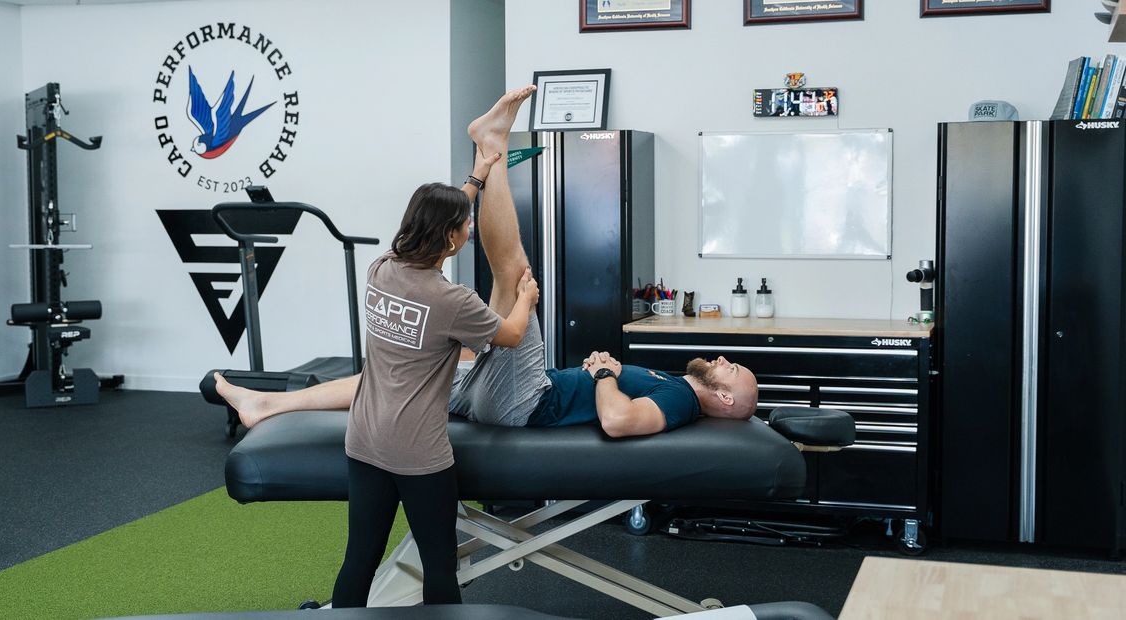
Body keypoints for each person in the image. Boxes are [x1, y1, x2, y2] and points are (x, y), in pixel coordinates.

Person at [215, 86, 758, 441]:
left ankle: (492, 146)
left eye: (731, 368)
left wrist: (606, 374)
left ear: (727, 397)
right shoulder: (679, 386)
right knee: (384, 377)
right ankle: (267, 405)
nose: (720, 358)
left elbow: (616, 422)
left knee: (515, 275)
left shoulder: (684, 399)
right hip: (505, 392)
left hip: (525, 402)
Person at [299, 85, 542, 609]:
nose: (472, 228)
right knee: (439, 564)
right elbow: (513, 335)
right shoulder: (452, 300)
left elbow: (442, 223)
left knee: (358, 559)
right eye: (466, 226)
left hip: (364, 439)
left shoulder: (383, 268)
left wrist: (478, 175)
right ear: (452, 239)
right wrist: (524, 295)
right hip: (418, 454)